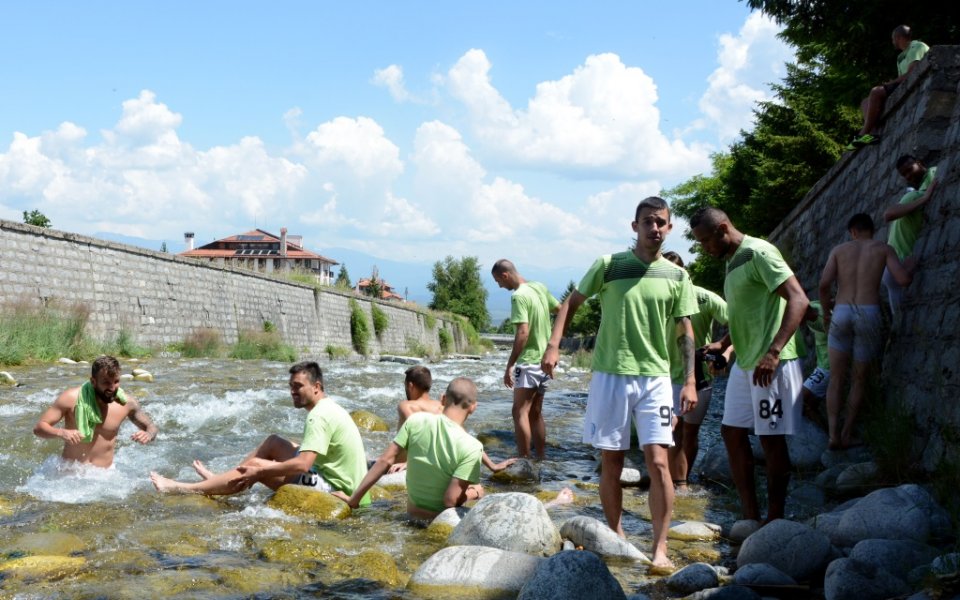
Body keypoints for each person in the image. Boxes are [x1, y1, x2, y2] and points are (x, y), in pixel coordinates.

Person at [541, 196, 698, 570]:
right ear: (635, 226)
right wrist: (553, 345)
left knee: (658, 461)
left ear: (669, 228)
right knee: (611, 461)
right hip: (610, 375)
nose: (655, 228)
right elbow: (570, 304)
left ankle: (660, 547)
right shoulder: (609, 266)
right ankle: (616, 536)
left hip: (656, 378)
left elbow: (685, 330)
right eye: (648, 222)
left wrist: (690, 380)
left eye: (661, 222)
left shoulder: (677, 275)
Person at [690, 207, 809, 524]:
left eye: (705, 241)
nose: (705, 249)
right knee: (730, 431)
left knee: (770, 439)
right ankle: (749, 516)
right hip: (745, 362)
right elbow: (749, 310)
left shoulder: (759, 252)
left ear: (723, 228)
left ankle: (775, 519)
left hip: (772, 364)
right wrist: (724, 343)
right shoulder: (733, 261)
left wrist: (774, 352)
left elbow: (799, 300)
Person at [150, 361, 370, 506]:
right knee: (274, 442)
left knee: (256, 465)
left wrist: (263, 469)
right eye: (290, 386)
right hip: (337, 478)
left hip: (338, 490)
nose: (292, 391)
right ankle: (221, 481)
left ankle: (182, 487)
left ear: (316, 386)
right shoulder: (329, 407)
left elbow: (303, 465)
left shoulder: (318, 416)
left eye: (298, 386)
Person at [819, 213, 913, 450]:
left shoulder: (839, 250)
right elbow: (902, 279)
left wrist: (827, 313)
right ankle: (848, 433)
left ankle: (832, 435)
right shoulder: (883, 248)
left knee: (837, 378)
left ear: (852, 231)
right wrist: (911, 264)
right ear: (872, 230)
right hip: (868, 312)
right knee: (859, 379)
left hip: (841, 311)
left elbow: (823, 284)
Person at [334, 377, 486, 520]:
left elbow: (385, 460)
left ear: (444, 399)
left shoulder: (416, 420)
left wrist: (354, 499)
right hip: (439, 523)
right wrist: (474, 492)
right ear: (473, 407)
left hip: (411, 517)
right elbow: (450, 501)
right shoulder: (473, 447)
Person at [662, 251, 728, 491]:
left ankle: (683, 480)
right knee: (672, 431)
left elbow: (736, 321)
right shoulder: (658, 299)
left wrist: (724, 352)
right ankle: (674, 483)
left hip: (699, 377)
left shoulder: (704, 297)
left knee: (689, 433)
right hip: (665, 376)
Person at [33, 355, 158, 468]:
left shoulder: (127, 404)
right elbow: (39, 429)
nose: (112, 388)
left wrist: (148, 435)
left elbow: (151, 427)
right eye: (106, 383)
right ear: (93, 381)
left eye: (116, 381)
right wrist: (61, 433)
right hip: (70, 474)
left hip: (104, 476)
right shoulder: (70, 398)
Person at [491, 259, 560, 460]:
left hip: (529, 361)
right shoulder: (539, 288)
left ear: (505, 275)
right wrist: (554, 344)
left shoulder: (518, 297)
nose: (499, 286)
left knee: (519, 411)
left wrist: (510, 365)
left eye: (498, 281)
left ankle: (524, 460)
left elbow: (522, 333)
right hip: (545, 362)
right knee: (535, 412)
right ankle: (540, 457)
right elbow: (560, 309)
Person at [389, 366, 516, 474]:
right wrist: (493, 466)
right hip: (435, 465)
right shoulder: (441, 407)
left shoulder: (406, 406)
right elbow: (465, 437)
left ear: (410, 386)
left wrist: (409, 463)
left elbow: (418, 434)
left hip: (404, 466)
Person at [844, 25, 930, 150]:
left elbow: (912, 72)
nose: (892, 42)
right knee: (865, 102)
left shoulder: (917, 46)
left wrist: (890, 83)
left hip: (914, 82)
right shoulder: (900, 57)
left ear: (898, 38)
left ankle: (863, 134)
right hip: (902, 84)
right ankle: (872, 135)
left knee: (876, 91)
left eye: (893, 39)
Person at [883, 154, 938, 314]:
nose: (908, 175)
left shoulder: (932, 174)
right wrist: (925, 197)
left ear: (919, 163)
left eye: (909, 169)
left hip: (896, 261)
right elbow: (888, 214)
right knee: (902, 317)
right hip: (899, 262)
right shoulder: (915, 195)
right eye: (904, 174)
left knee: (900, 317)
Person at [799, 301, 831, 430]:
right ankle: (827, 434)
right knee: (809, 405)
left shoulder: (822, 319)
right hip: (823, 365)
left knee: (800, 400)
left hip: (828, 367)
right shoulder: (815, 307)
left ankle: (828, 436)